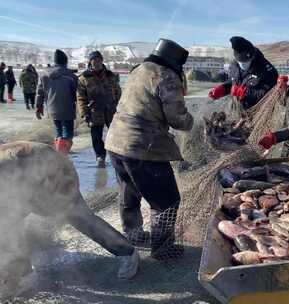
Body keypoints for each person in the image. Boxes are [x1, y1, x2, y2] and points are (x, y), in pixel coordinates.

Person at [0, 142, 139, 299]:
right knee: (8, 224)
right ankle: (23, 275)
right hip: (26, 176)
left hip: (49, 170)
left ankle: (127, 251)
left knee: (78, 216)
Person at [105, 38, 193, 259]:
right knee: (166, 199)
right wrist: (194, 121)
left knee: (129, 191)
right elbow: (177, 119)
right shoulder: (167, 76)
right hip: (143, 148)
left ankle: (133, 235)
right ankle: (162, 249)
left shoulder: (139, 70)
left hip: (116, 142)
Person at [77, 51, 122, 168]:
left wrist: (119, 107)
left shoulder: (110, 75)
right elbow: (81, 98)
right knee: (96, 137)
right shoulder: (84, 78)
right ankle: (100, 156)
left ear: (102, 60)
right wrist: (84, 113)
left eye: (98, 60)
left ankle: (118, 156)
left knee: (115, 134)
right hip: (94, 111)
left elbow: (118, 92)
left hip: (111, 110)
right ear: (90, 62)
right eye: (94, 60)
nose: (96, 62)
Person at [208, 36, 278, 110]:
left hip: (258, 112)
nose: (243, 64)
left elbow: (270, 93)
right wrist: (223, 89)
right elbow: (232, 82)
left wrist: (245, 92)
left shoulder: (267, 69)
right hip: (238, 111)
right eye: (240, 62)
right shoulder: (234, 65)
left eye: (246, 61)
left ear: (253, 56)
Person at [36, 49, 78, 156]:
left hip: (52, 108)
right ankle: (62, 157)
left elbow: (40, 92)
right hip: (67, 108)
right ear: (65, 62)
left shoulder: (45, 75)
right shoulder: (71, 77)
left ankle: (60, 153)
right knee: (67, 133)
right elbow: (76, 94)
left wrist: (38, 106)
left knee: (59, 131)